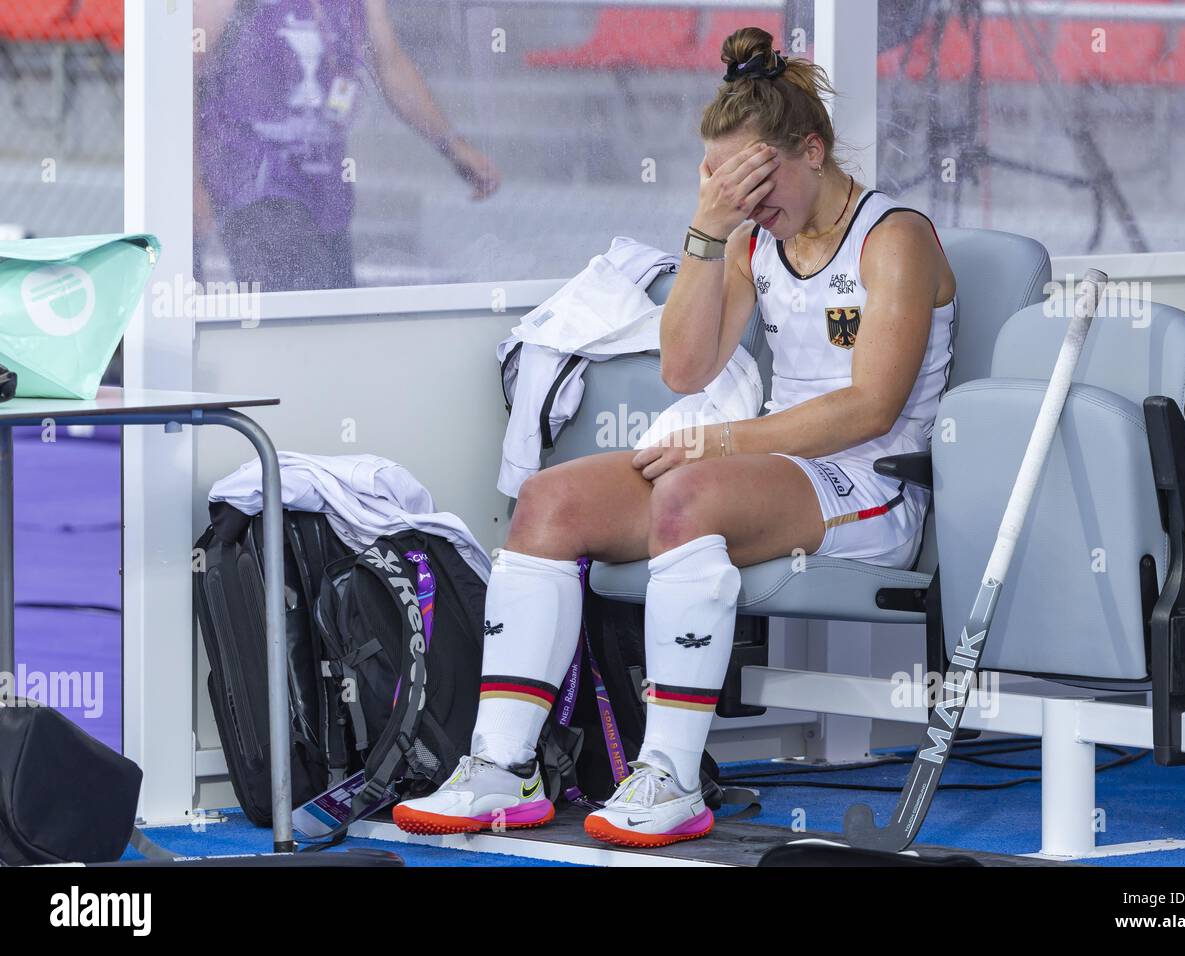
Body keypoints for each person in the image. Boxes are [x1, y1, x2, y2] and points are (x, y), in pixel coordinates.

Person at [393, 27, 957, 848]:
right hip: (769, 466)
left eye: (760, 179)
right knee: (550, 501)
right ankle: (502, 766)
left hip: (871, 485)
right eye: (729, 183)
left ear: (812, 147)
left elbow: (871, 408)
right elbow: (686, 369)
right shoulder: (753, 238)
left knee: (690, 490)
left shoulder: (895, 237)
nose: (750, 200)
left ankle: (670, 777)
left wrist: (720, 445)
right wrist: (707, 229)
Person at [194, 0, 499, 291]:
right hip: (255, 184)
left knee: (333, 321)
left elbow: (390, 62)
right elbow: (186, 69)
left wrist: (453, 146)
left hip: (326, 190)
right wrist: (192, 185)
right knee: (306, 327)